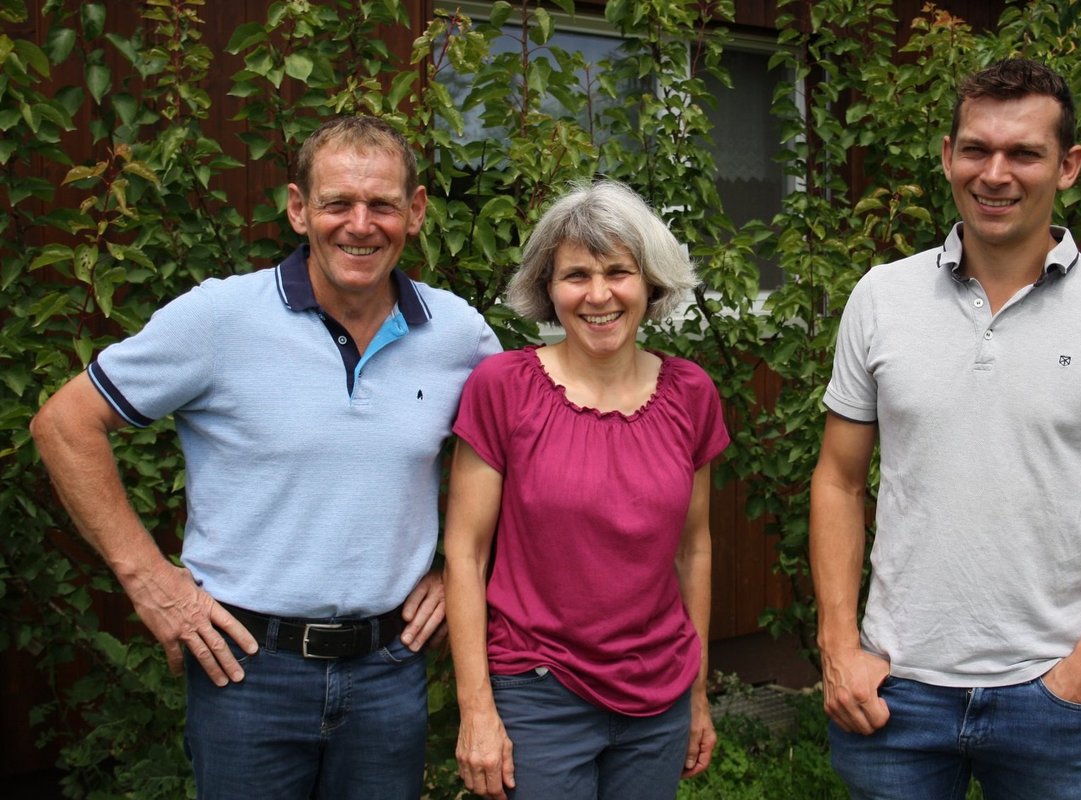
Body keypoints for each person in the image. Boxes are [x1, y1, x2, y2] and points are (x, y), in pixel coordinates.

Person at [29, 115, 501, 799]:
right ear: (299, 208)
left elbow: (524, 453)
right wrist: (149, 580)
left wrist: (457, 573)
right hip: (246, 672)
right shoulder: (221, 319)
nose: (360, 225)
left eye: (383, 205)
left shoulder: (457, 333)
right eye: (338, 202)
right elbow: (64, 424)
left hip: (389, 670)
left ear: (417, 211)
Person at [810, 58, 1081, 799]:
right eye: (976, 149)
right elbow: (837, 477)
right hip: (895, 689)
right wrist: (838, 645)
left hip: (1050, 693)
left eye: (1024, 152)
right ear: (948, 155)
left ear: (1068, 165)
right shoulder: (880, 298)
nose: (995, 174)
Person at [443, 179, 729, 800]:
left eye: (617, 272)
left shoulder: (690, 395)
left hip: (659, 696)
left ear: (649, 283)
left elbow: (693, 550)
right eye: (576, 275)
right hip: (538, 690)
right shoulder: (504, 389)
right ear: (549, 289)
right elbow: (465, 554)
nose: (599, 295)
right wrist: (476, 710)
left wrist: (698, 692)